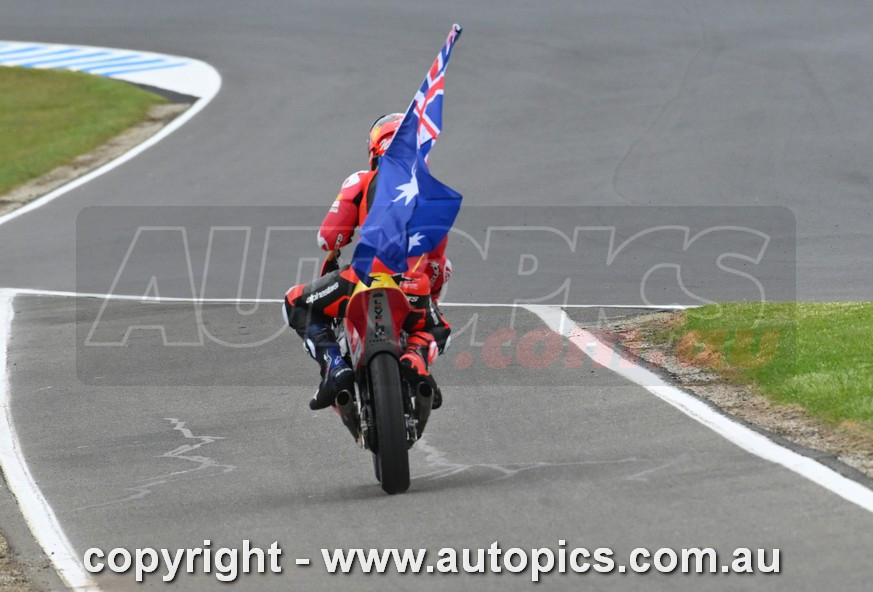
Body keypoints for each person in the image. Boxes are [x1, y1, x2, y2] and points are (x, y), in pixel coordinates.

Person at [283, 113, 452, 411]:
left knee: (296, 302)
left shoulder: (360, 180)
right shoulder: (431, 193)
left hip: (362, 277)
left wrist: (345, 236)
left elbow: (327, 238)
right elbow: (437, 265)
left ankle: (334, 367)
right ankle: (415, 357)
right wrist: (429, 297)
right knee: (439, 329)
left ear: (374, 149)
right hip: (414, 286)